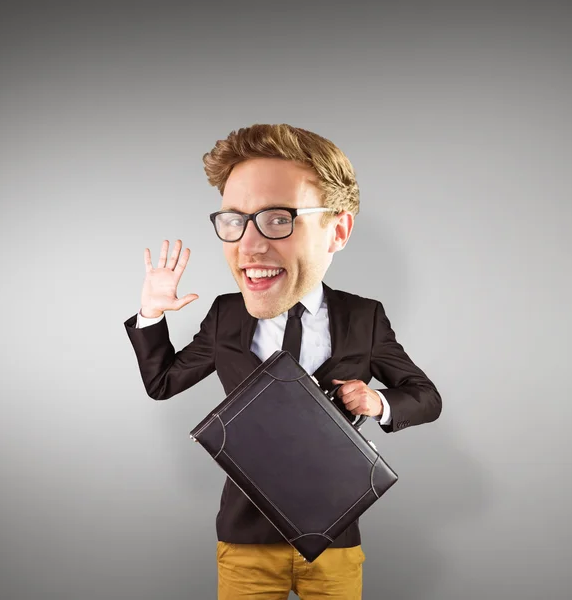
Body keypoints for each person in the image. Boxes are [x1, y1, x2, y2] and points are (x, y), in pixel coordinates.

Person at [124, 124, 442, 599]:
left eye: (278, 219)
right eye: (234, 221)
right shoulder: (225, 314)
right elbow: (163, 382)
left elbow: (425, 398)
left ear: (338, 230)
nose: (247, 246)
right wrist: (150, 313)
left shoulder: (364, 316)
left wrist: (378, 402)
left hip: (334, 535)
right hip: (245, 536)